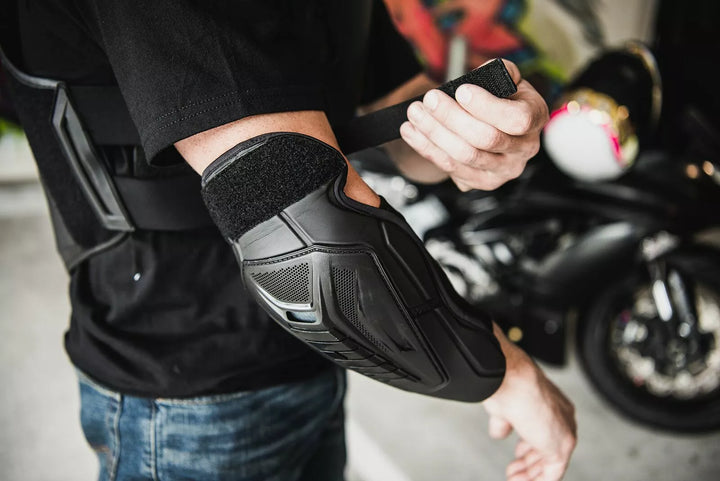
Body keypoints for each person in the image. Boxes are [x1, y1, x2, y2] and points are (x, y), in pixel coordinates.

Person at [1, 1, 576, 480]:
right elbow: (302, 239)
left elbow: (398, 104)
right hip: (183, 394)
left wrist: (481, 135)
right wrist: (507, 375)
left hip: (319, 358)